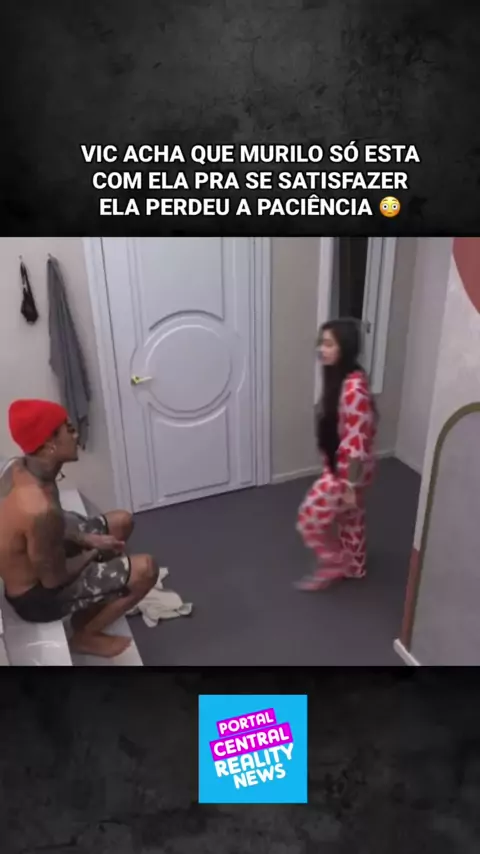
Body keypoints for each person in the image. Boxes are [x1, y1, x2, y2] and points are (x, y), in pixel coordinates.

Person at [0, 399, 159, 658]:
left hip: (41, 561)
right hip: (36, 598)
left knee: (121, 521)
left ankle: (92, 605)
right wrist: (93, 551)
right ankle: (85, 636)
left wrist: (87, 538)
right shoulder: (39, 508)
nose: (76, 435)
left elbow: (41, 533)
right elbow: (54, 581)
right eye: (70, 430)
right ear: (50, 444)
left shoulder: (20, 467)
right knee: (146, 569)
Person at [295, 319, 377, 590]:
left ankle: (336, 562)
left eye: (329, 344)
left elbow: (357, 442)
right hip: (343, 469)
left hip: (346, 474)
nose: (322, 349)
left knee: (309, 519)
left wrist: (350, 485)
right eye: (322, 343)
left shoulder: (353, 389)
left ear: (346, 347)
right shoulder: (340, 378)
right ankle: (355, 566)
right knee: (350, 518)